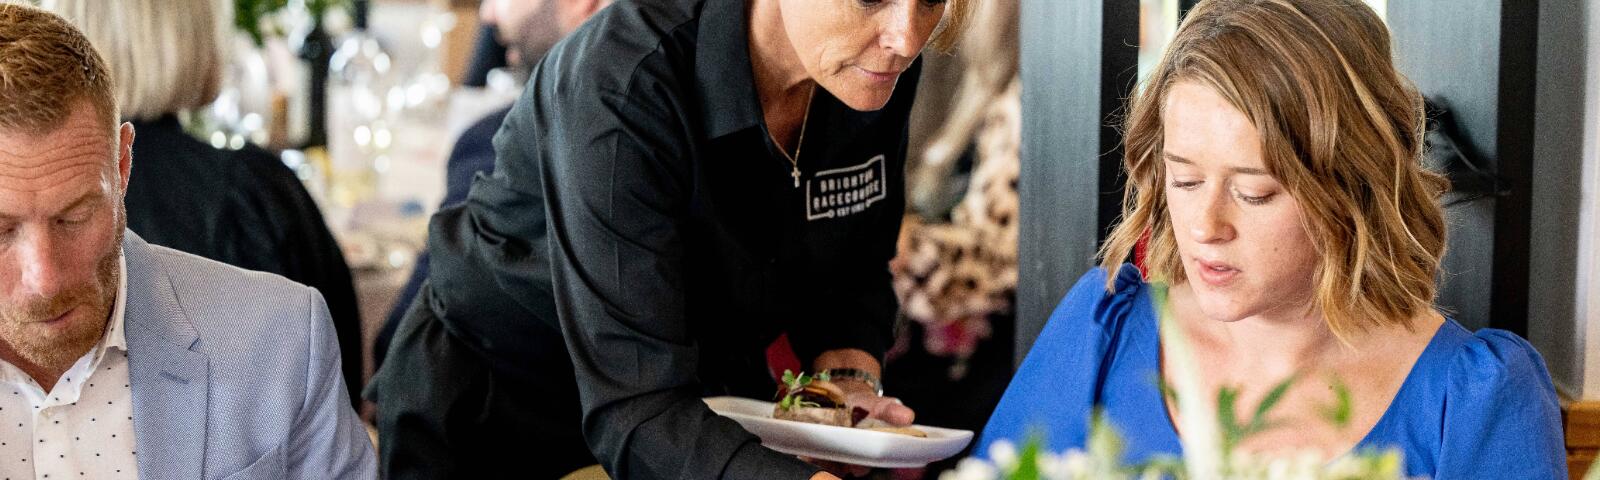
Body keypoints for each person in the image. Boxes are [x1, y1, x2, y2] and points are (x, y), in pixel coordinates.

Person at [372, 0, 968, 477]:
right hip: (501, 417)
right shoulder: (626, 78)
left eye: (932, 1)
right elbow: (635, 408)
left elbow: (853, 271)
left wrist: (849, 385)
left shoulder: (867, 65)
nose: (907, 37)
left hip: (692, 421)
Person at [978, 0, 1565, 477]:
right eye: (1184, 180)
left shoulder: (1474, 396)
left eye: (1255, 192)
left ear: (1349, 186)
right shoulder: (1102, 331)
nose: (1205, 227)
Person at [0, 4, 376, 479]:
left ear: (121, 168)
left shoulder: (279, 342)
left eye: (74, 217)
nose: (46, 279)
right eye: (2, 232)